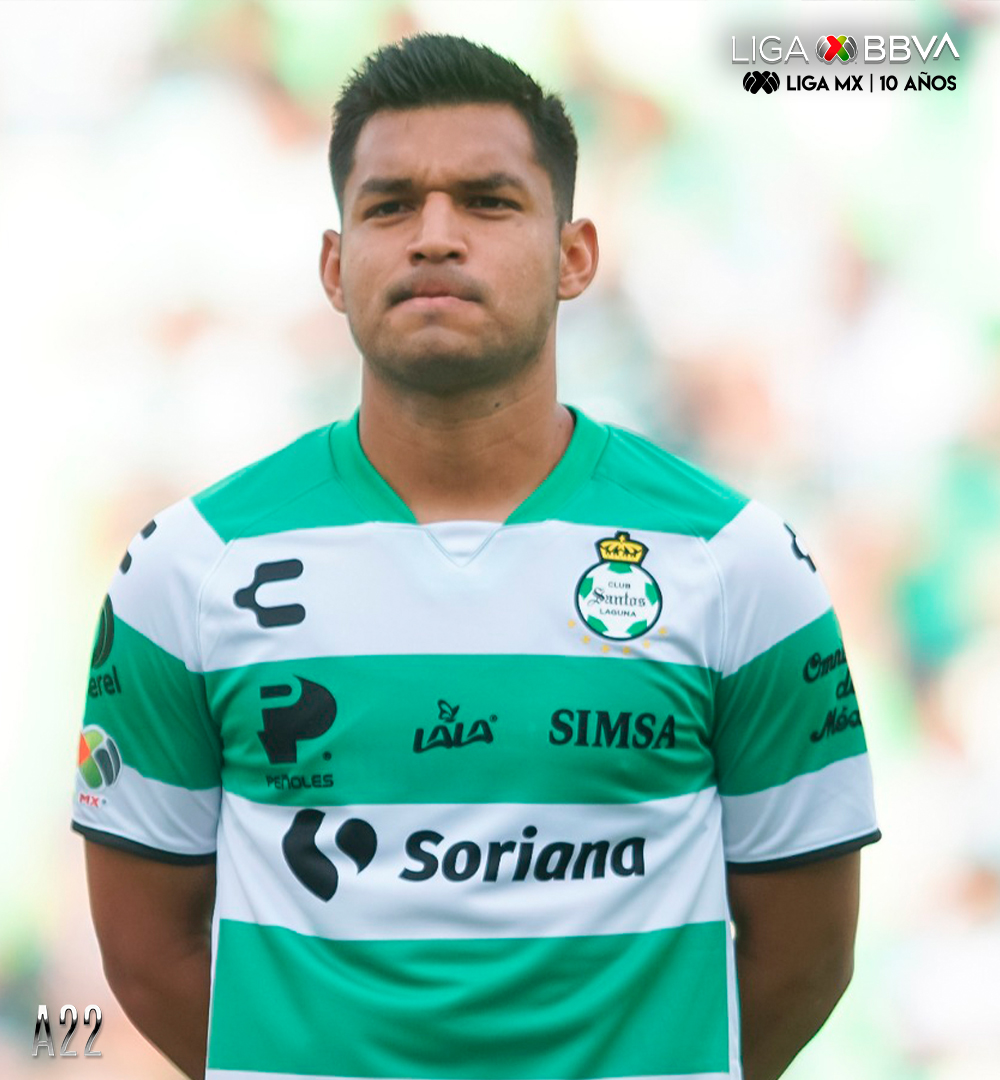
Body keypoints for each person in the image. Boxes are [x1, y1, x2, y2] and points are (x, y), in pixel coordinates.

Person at [73, 33, 880, 1080]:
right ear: (334, 266)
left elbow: (804, 958)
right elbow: (149, 959)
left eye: (490, 202)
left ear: (574, 256)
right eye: (390, 205)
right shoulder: (184, 570)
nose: (435, 237)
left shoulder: (740, 564)